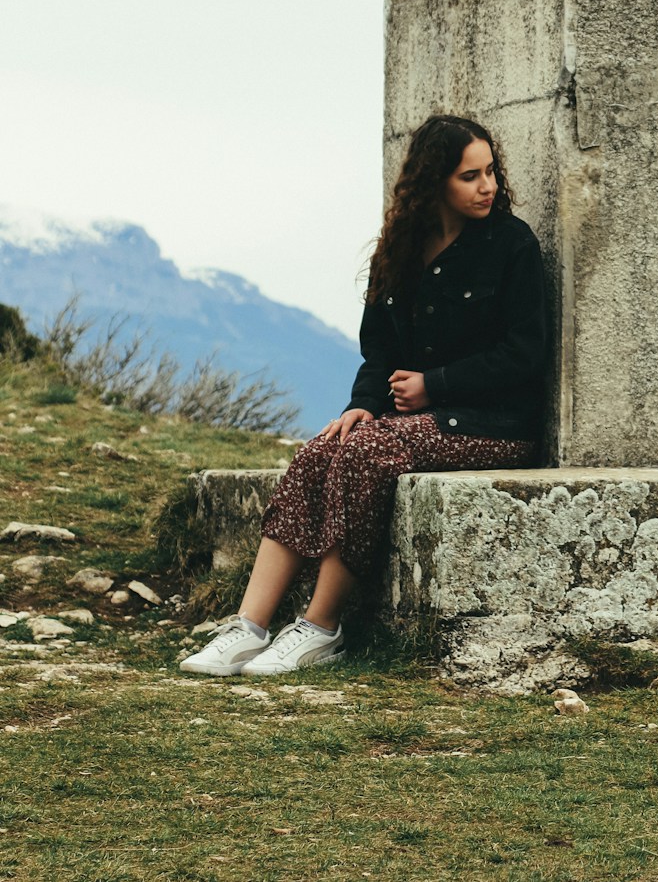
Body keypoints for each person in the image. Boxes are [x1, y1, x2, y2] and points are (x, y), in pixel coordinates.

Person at [180, 114, 546, 675]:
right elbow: (378, 353)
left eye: (491, 171)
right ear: (435, 183)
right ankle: (248, 627)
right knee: (318, 451)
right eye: (470, 176)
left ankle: (320, 627)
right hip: (415, 423)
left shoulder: (511, 244)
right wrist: (360, 405)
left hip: (491, 425)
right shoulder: (397, 250)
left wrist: (435, 385)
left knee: (366, 453)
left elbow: (526, 354)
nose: (488, 186)